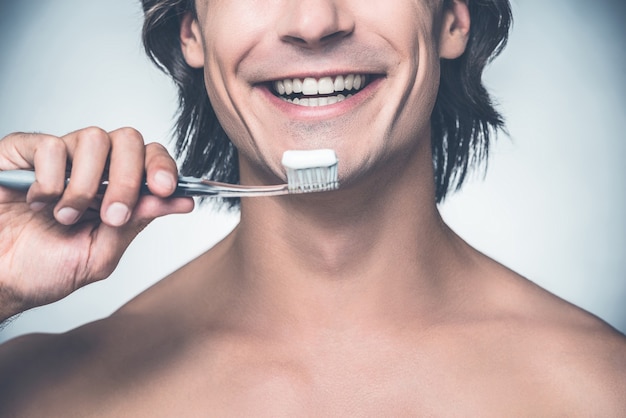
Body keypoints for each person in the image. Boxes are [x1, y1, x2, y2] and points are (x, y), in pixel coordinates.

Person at [0, 0, 625, 415]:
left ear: (453, 19)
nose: (314, 20)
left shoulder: (604, 392)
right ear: (192, 29)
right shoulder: (35, 394)